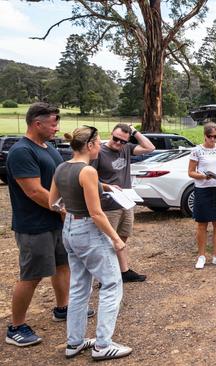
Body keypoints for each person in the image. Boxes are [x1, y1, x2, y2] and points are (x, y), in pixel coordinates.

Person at [5, 102, 94, 347]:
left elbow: (60, 178)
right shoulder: (22, 151)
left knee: (63, 265)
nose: (57, 128)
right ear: (37, 123)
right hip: (34, 225)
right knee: (31, 276)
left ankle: (63, 308)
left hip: (54, 221)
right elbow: (34, 191)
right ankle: (16, 327)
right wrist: (62, 208)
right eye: (53, 123)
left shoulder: (47, 148)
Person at [50, 126, 132, 360]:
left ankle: (74, 342)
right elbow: (96, 213)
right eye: (98, 142)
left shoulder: (61, 167)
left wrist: (68, 210)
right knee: (112, 284)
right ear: (89, 145)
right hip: (88, 230)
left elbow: (52, 202)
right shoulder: (87, 171)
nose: (101, 146)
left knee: (79, 287)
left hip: (70, 230)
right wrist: (116, 239)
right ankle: (103, 345)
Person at [91, 123, 154, 282]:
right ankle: (105, 277)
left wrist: (134, 132)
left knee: (122, 237)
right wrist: (107, 187)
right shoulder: (99, 152)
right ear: (111, 133)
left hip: (126, 201)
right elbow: (89, 179)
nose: (118, 143)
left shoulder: (126, 149)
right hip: (108, 204)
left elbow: (149, 147)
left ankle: (123, 271)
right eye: (116, 139)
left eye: (123, 141)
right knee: (107, 241)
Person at [187, 122, 216, 269]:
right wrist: (203, 177)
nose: (213, 139)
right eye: (210, 136)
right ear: (204, 136)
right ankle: (201, 256)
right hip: (203, 189)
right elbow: (191, 172)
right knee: (202, 223)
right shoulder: (197, 151)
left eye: (215, 136)